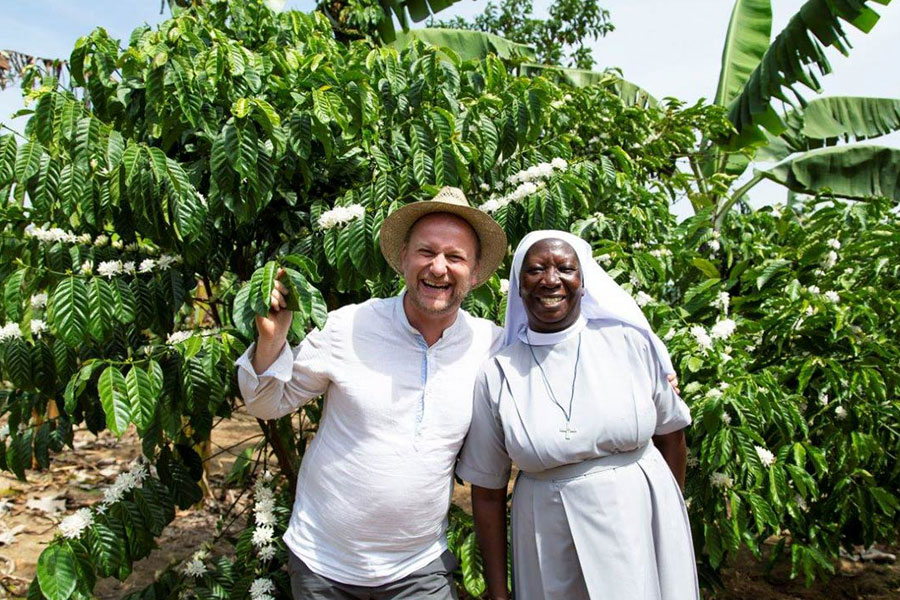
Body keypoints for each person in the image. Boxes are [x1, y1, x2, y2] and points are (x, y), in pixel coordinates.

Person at [235, 187, 509, 599]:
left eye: (455, 257)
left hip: (418, 563)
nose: (438, 268)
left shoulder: (489, 346)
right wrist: (271, 341)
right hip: (323, 562)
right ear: (402, 258)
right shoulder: (348, 328)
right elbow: (265, 403)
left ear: (474, 273)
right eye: (425, 252)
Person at [457, 230, 699, 600]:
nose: (550, 280)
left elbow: (672, 437)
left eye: (564, 268)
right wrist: (498, 591)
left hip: (636, 518)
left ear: (583, 281)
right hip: (546, 532)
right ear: (519, 287)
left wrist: (666, 512)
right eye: (535, 269)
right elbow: (487, 491)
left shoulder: (628, 343)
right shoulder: (498, 373)